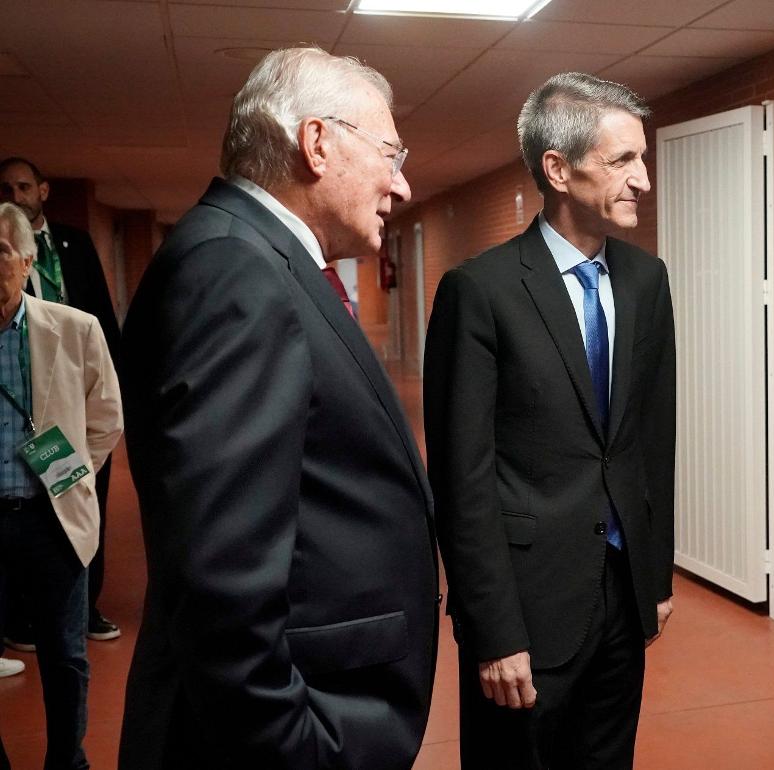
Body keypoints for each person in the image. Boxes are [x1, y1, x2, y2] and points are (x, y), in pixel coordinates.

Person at [117, 47, 438, 770]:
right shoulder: (235, 270)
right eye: (390, 153)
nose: (403, 183)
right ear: (317, 143)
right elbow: (222, 581)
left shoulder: (261, 260)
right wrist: (298, 749)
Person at [424, 71, 676, 769]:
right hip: (526, 608)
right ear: (558, 170)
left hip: (622, 593)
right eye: (623, 160)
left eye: (642, 159)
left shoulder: (646, 281)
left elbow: (652, 440)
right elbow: (462, 477)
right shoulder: (480, 291)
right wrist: (492, 629)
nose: (643, 180)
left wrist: (654, 579)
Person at [0, 202, 122, 770]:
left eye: (0, 252)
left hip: (50, 519)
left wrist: (68, 476)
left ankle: (65, 759)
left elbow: (107, 418)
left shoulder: (75, 329)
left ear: (27, 260)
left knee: (64, 654)